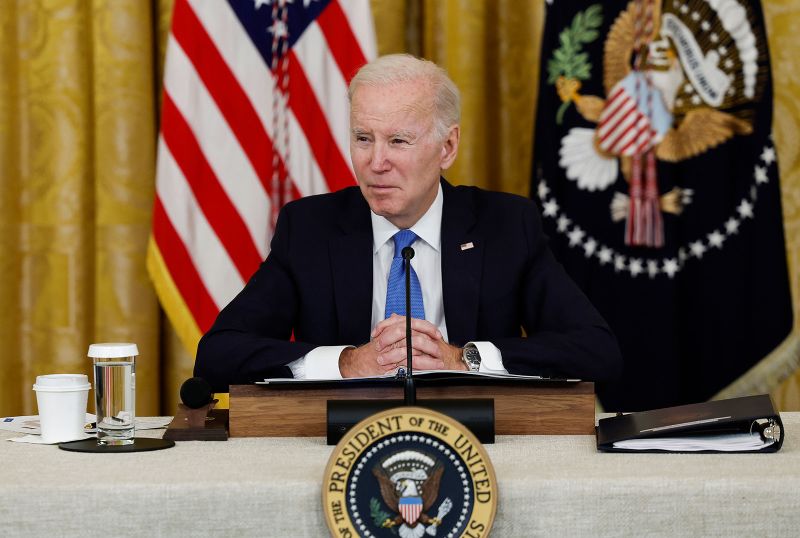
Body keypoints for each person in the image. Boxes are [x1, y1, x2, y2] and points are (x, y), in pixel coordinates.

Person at [195, 54, 622, 392]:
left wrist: (464, 359)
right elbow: (217, 356)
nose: (375, 163)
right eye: (363, 138)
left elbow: (596, 350)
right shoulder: (309, 229)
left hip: (479, 442)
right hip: (339, 444)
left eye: (398, 141)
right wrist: (346, 362)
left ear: (447, 147)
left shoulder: (506, 226)